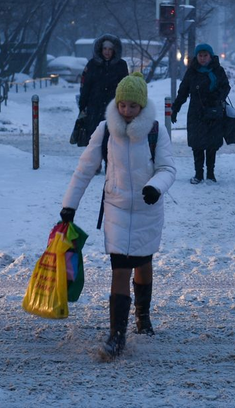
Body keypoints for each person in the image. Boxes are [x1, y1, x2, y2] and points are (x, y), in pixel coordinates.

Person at [59, 72, 176, 359]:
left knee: (144, 262)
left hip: (148, 209)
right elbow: (84, 169)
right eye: (122, 105)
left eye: (132, 106)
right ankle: (116, 335)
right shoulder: (106, 130)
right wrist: (69, 206)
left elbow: (168, 169)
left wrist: (154, 187)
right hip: (117, 209)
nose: (126, 111)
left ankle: (143, 316)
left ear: (142, 106)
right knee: (120, 268)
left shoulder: (156, 131)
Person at [171, 43, 231, 184]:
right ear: (196, 57)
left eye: (205, 55)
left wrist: (217, 97)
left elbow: (226, 87)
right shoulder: (192, 71)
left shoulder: (217, 70)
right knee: (197, 145)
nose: (203, 58)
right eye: (200, 56)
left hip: (213, 111)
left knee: (211, 144)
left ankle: (210, 174)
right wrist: (176, 108)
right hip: (196, 112)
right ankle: (198, 174)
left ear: (210, 56)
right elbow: (183, 91)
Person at [76, 34, 129, 152]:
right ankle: (95, 163)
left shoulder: (121, 65)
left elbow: (125, 87)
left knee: (112, 137)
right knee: (94, 137)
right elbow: (85, 86)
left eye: (110, 49)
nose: (107, 52)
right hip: (94, 106)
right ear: (100, 49)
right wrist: (83, 105)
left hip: (113, 106)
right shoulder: (92, 65)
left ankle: (110, 163)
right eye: (105, 49)